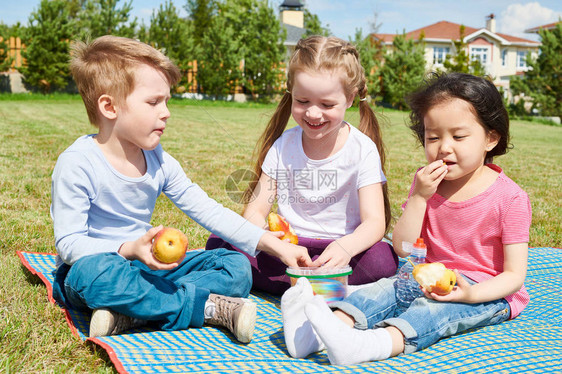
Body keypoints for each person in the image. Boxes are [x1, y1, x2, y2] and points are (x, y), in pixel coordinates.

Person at [50, 35, 312, 343]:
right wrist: (127, 250)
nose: (166, 112)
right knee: (97, 276)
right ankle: (208, 309)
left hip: (150, 270)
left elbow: (207, 209)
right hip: (98, 266)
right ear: (109, 107)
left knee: (236, 266)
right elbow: (69, 244)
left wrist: (275, 245)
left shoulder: (158, 160)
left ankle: (133, 312)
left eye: (166, 101)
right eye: (153, 102)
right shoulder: (78, 163)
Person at [280, 72, 532, 364]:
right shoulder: (426, 184)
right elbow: (402, 247)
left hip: (487, 291)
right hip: (427, 275)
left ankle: (373, 345)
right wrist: (420, 198)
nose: (444, 147)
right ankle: (315, 335)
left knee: (431, 312)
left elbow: (514, 276)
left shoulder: (510, 198)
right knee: (383, 290)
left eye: (459, 136)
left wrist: (470, 295)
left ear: (491, 138)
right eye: (433, 137)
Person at [206, 35, 398, 295]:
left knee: (382, 258)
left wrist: (346, 247)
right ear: (291, 93)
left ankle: (298, 285)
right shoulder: (283, 145)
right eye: (303, 101)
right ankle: (323, 286)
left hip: (340, 251)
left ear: (351, 98)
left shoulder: (362, 149)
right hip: (288, 250)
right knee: (220, 242)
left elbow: (375, 222)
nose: (313, 113)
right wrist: (270, 240)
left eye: (327, 104)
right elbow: (254, 211)